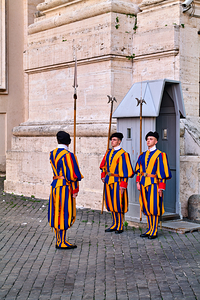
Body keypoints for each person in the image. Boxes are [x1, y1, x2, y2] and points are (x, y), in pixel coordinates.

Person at [48, 131, 83, 249]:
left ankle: (59, 240)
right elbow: (73, 175)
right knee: (64, 212)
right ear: (68, 142)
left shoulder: (52, 153)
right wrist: (75, 189)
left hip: (55, 186)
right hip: (65, 187)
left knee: (56, 212)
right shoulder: (69, 155)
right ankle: (62, 241)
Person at [135, 131, 172, 239]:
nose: (148, 141)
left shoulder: (161, 155)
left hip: (154, 184)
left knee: (154, 208)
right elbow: (138, 170)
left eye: (151, 139)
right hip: (143, 183)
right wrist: (138, 182)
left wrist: (161, 187)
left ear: (156, 141)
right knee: (146, 207)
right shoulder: (142, 155)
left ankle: (154, 230)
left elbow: (163, 174)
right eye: (147, 139)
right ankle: (149, 228)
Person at [100, 132, 134, 234]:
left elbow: (126, 171)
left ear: (119, 141)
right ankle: (114, 223)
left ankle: (120, 225)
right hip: (108, 181)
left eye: (114, 140)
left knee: (118, 204)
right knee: (111, 203)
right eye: (111, 140)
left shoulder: (124, 154)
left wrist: (123, 185)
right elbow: (103, 166)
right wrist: (103, 176)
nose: (112, 141)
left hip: (118, 182)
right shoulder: (108, 152)